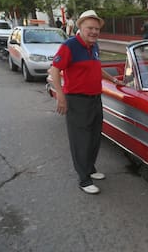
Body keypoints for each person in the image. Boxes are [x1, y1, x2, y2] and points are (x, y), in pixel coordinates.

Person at [50, 10, 125, 194]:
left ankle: (90, 169)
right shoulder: (70, 46)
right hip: (77, 101)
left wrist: (114, 80)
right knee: (80, 140)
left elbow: (97, 68)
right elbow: (54, 70)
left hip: (95, 98)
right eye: (90, 28)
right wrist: (60, 96)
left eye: (96, 29)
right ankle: (84, 179)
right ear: (81, 27)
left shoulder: (94, 46)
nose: (94, 32)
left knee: (94, 136)